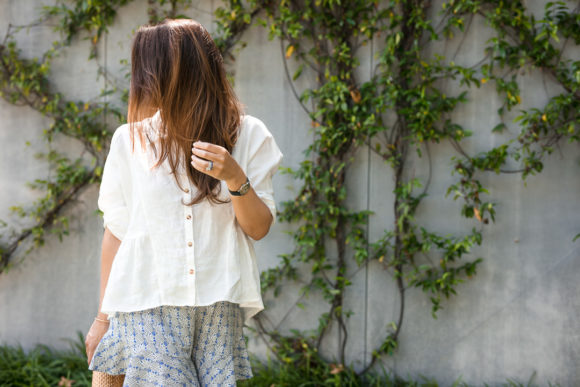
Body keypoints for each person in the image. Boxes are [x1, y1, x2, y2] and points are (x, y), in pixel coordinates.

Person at [84, 18, 283, 386]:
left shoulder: (249, 134)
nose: (142, 81)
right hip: (147, 301)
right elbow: (117, 233)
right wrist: (102, 318)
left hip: (218, 307)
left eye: (150, 69)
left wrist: (235, 177)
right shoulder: (130, 141)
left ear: (182, 73)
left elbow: (258, 228)